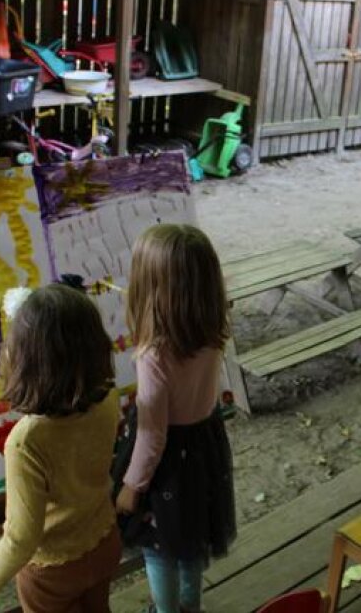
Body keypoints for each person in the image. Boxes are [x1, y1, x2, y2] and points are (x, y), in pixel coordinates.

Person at [0, 284, 121, 613]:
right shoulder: (109, 397)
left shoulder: (27, 441)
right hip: (104, 540)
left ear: (28, 363)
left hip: (53, 572)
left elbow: (20, 538)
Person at [116, 224, 236, 613]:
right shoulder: (211, 329)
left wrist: (132, 488)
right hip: (204, 449)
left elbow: (152, 436)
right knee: (190, 543)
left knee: (160, 547)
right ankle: (189, 607)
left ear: (150, 290)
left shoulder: (154, 354)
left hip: (166, 467)